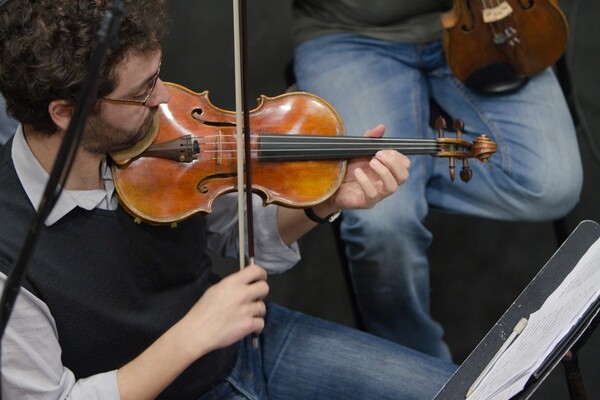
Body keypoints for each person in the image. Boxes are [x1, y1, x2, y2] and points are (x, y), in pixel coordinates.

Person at [0, 1, 455, 399]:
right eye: (141, 92)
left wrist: (324, 201)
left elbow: (236, 230)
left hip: (247, 347)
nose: (162, 100)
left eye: (156, 77)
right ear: (66, 113)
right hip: (183, 374)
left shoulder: (157, 131)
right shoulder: (7, 253)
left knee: (460, 391)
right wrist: (194, 334)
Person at [291, 0, 583, 361]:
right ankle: (420, 370)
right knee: (383, 224)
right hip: (349, 34)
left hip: (491, 18)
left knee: (553, 185)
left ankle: (410, 169)